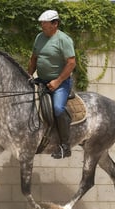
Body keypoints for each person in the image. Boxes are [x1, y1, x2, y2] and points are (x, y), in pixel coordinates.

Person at [28, 10, 76, 159]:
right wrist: (28, 75)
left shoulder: (64, 40)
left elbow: (71, 63)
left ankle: (65, 146)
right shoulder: (39, 38)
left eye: (45, 23)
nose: (42, 25)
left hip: (60, 82)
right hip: (41, 80)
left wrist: (58, 81)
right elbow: (34, 59)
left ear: (55, 24)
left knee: (57, 109)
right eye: (41, 23)